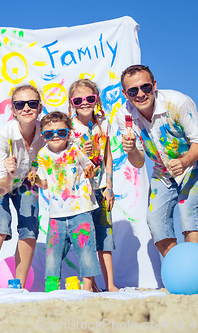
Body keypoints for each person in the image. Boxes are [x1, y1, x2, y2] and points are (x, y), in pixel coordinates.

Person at [117, 65, 198, 257]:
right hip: (163, 169)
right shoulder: (125, 116)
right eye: (133, 90)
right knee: (155, 220)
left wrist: (185, 161)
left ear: (154, 85)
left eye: (145, 87)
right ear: (125, 93)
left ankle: (195, 268)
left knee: (188, 209)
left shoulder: (178, 102)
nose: (140, 94)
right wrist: (130, 151)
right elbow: (138, 162)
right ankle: (180, 268)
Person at [0, 84, 45, 289]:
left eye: (32, 103)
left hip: (24, 180)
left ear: (40, 108)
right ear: (13, 110)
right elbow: (1, 188)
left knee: (30, 227)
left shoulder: (45, 132)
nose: (26, 108)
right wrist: (9, 173)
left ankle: (19, 286)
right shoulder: (2, 134)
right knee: (1, 222)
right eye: (20, 104)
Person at [29, 111, 101, 291]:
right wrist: (36, 180)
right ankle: (51, 288)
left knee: (85, 249)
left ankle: (88, 288)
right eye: (49, 133)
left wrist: (91, 172)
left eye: (61, 132)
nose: (55, 136)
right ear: (43, 136)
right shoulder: (42, 155)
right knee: (52, 253)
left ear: (69, 133)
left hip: (81, 210)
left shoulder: (75, 149)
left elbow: (90, 168)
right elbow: (44, 184)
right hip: (56, 215)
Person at [68, 79, 118, 292]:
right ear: (72, 103)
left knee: (105, 237)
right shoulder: (68, 128)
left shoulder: (104, 124)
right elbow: (65, 160)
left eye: (90, 98)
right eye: (78, 100)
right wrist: (81, 150)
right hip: (80, 190)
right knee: (86, 238)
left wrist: (109, 185)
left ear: (96, 99)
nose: (84, 103)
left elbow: (108, 155)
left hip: (100, 187)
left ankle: (111, 284)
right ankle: (92, 284)